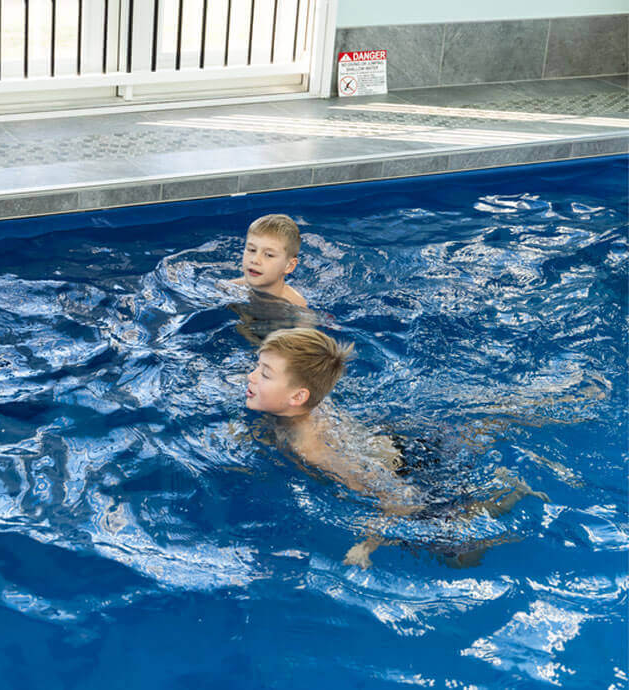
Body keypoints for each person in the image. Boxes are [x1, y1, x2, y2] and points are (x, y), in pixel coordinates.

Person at [244, 327, 546, 568]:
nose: (251, 376)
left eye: (265, 373)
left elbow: (402, 500)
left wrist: (367, 546)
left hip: (408, 474)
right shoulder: (311, 400)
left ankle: (510, 492)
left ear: (297, 396)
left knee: (462, 558)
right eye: (258, 366)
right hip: (398, 444)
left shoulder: (312, 449)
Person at [225, 213, 308, 308]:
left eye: (269, 255)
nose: (255, 260)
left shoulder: (295, 304)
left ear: (289, 266)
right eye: (252, 250)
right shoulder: (230, 288)